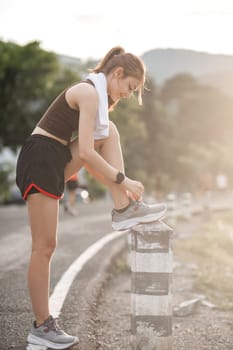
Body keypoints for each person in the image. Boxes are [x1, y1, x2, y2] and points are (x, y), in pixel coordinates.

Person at [16, 46, 167, 350]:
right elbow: (85, 152)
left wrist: (119, 185)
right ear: (117, 73)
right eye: (129, 87)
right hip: (40, 157)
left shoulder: (97, 98)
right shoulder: (88, 93)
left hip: (56, 155)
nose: (127, 94)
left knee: (108, 130)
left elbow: (92, 152)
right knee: (44, 247)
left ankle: (124, 208)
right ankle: (41, 328)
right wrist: (124, 179)